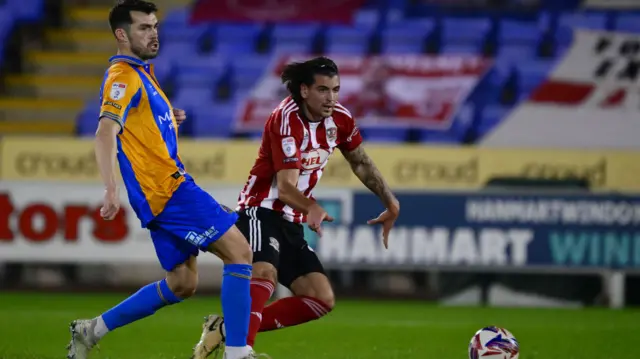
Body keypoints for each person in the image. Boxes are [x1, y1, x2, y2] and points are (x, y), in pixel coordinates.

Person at [65, 1, 259, 359]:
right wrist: (110, 188)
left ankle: (91, 330)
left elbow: (139, 128)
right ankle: (236, 353)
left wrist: (168, 117)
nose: (153, 33)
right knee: (240, 251)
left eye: (155, 26)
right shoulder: (123, 76)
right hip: (168, 189)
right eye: (143, 28)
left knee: (183, 283)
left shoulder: (143, 74)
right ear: (121, 35)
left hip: (159, 194)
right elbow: (105, 131)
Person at [191, 56, 400, 358]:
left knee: (320, 298)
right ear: (304, 90)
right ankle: (239, 352)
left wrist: (390, 201)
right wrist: (312, 207)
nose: (332, 98)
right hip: (260, 208)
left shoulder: (340, 119)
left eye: (336, 90)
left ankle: (225, 330)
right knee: (264, 272)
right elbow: (286, 187)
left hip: (291, 219)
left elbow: (360, 162)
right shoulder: (286, 119)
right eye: (324, 90)